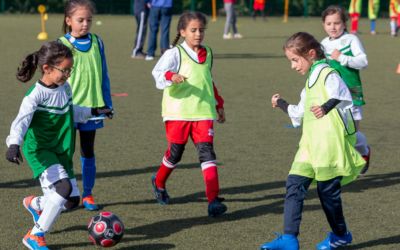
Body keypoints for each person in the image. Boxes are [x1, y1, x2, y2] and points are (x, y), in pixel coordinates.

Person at [259, 32, 365, 250]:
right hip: (309, 145)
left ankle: (340, 235)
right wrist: (281, 103)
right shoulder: (310, 81)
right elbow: (298, 113)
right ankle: (289, 239)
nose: (293, 66)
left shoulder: (326, 72)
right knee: (294, 185)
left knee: (327, 194)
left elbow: (342, 94)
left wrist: (326, 107)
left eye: (295, 60)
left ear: (311, 53)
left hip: (328, 145)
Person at [5, 41, 112, 250]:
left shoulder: (65, 87)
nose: (68, 75)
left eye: (70, 71)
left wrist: (95, 111)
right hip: (41, 151)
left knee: (71, 200)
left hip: (60, 150)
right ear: (47, 68)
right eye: (65, 70)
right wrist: (14, 144)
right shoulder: (35, 95)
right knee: (62, 188)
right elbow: (21, 121)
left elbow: (72, 111)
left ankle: (35, 204)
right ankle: (35, 236)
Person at [150, 11, 227, 217]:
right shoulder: (175, 53)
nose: (198, 34)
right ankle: (158, 182)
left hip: (203, 112)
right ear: (182, 32)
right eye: (193, 30)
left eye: (201, 30)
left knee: (207, 154)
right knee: (175, 154)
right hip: (178, 113)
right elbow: (157, 73)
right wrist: (171, 76)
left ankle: (213, 201)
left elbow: (208, 81)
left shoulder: (208, 53)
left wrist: (218, 103)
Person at [59, 0, 113, 211]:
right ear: (68, 20)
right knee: (65, 152)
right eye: (80, 20)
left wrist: (107, 103)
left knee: (87, 150)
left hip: (92, 108)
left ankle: (88, 194)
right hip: (68, 110)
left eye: (88, 20)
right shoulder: (61, 44)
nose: (85, 24)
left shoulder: (97, 42)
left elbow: (104, 75)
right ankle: (67, 192)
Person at [321, 5, 371, 174]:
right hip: (332, 95)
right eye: (329, 23)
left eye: (337, 23)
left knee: (352, 133)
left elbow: (363, 62)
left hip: (351, 92)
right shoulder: (323, 44)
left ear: (344, 23)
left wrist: (341, 57)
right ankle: (341, 166)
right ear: (323, 25)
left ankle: (364, 151)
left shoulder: (351, 39)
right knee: (335, 132)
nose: (333, 27)